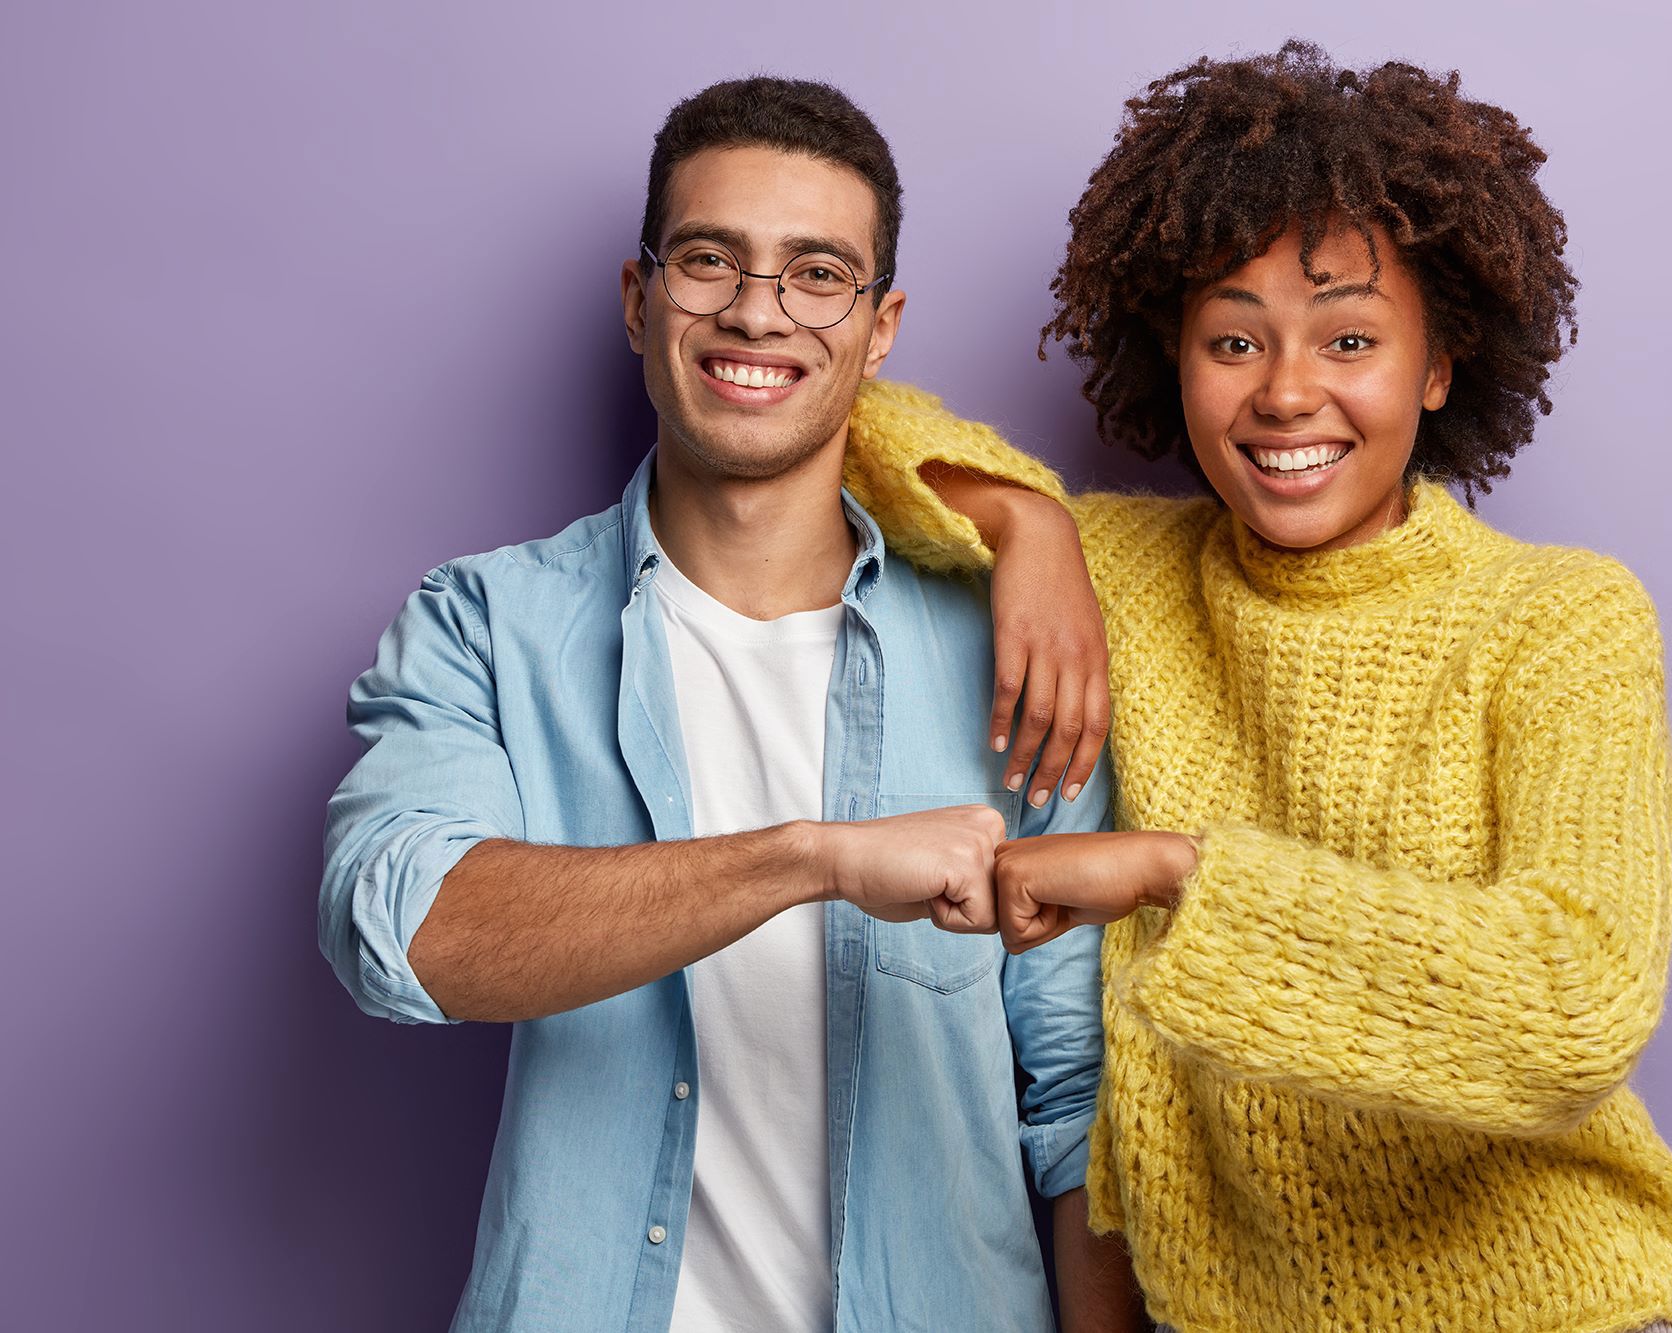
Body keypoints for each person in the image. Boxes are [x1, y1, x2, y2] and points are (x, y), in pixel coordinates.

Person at [839, 43, 1672, 1333]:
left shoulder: (1560, 617)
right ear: (1177, 359)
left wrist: (1174, 876)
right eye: (1233, 338)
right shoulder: (1131, 574)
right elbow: (848, 426)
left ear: (1436, 368)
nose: (1285, 391)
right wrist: (1032, 525)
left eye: (1350, 338)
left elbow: (1572, 1005)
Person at [320, 77, 1141, 1333]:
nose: (757, 311)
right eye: (711, 259)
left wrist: (1028, 516)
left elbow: (1081, 1104)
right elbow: (403, 934)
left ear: (880, 329)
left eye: (819, 274)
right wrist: (811, 858)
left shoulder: (1016, 657)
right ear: (640, 297)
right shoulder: (488, 624)